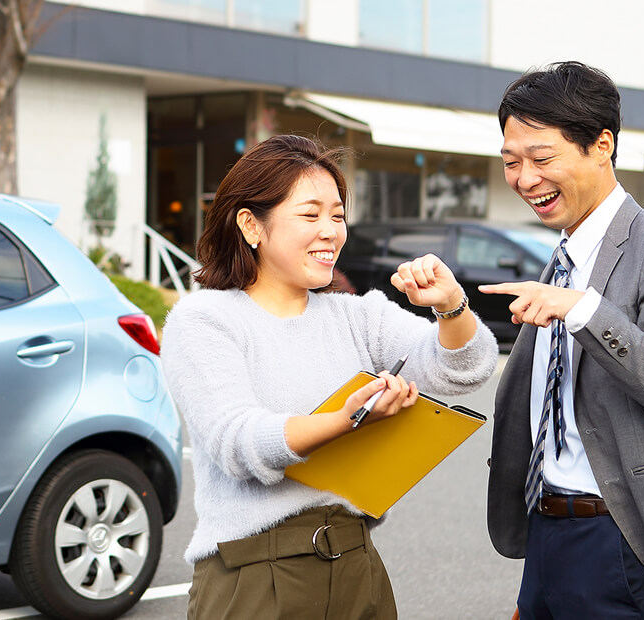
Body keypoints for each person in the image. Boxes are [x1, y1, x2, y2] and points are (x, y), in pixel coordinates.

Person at [160, 134, 497, 619]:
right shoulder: (204, 320)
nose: (330, 231)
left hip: (356, 563)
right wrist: (347, 419)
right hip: (252, 574)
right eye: (310, 214)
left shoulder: (359, 315)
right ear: (251, 224)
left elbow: (464, 369)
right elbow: (237, 442)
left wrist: (451, 306)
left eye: (337, 215)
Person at [480, 61, 644, 619]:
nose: (524, 178)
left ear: (601, 145)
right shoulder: (562, 258)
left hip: (623, 542)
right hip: (547, 536)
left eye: (541, 159)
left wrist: (586, 310)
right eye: (511, 162)